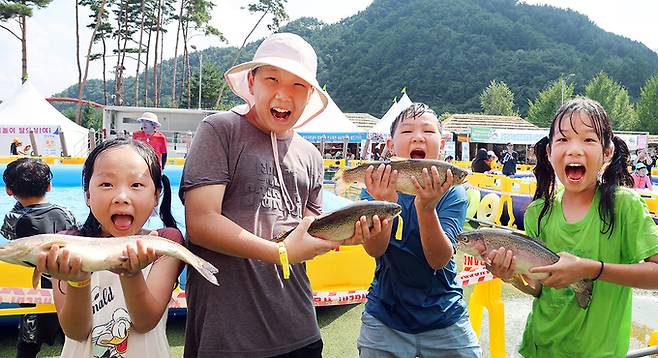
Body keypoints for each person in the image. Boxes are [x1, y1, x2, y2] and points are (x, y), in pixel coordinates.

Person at [179, 32, 372, 357]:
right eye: (272, 79)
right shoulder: (220, 130)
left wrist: (341, 235)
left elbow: (308, 234)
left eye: (298, 85)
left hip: (298, 328)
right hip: (228, 333)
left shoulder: (310, 155)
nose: (284, 94)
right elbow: (201, 222)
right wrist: (279, 252)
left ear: (310, 94)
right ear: (252, 82)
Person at [486, 97, 658, 357]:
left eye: (589, 140)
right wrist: (510, 276)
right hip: (538, 348)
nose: (574, 150)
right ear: (549, 152)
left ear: (607, 152)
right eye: (563, 139)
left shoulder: (624, 206)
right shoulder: (538, 213)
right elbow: (538, 287)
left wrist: (592, 269)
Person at [34, 138, 184, 357]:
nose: (121, 197)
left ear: (156, 196)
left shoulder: (164, 244)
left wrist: (131, 275)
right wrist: (78, 281)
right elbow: (75, 331)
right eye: (106, 184)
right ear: (87, 195)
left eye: (136, 185)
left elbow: (145, 322)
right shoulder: (66, 246)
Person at [356, 103, 481, 357]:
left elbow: (439, 259)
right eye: (406, 131)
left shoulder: (452, 190)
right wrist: (385, 203)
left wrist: (426, 209)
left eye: (427, 131)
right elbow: (375, 249)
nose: (418, 136)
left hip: (445, 312)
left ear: (442, 144)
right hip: (385, 314)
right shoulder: (376, 186)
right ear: (391, 146)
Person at [1, 158, 77, 358]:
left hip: (34, 293)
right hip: (66, 288)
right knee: (73, 338)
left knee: (27, 345)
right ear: (49, 186)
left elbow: (10, 245)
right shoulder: (66, 212)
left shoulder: (14, 218)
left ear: (9, 190)